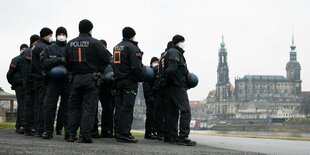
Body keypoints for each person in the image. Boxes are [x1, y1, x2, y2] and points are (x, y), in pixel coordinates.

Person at [64, 19, 110, 143]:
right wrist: (98, 70)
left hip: (75, 78)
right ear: (90, 29)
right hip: (91, 78)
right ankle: (84, 135)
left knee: (74, 107)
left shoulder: (70, 44)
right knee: (89, 108)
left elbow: (65, 61)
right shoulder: (96, 43)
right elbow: (106, 59)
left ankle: (70, 134)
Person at [112, 27, 144, 143]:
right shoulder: (133, 48)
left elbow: (114, 65)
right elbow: (136, 67)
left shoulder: (116, 47)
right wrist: (141, 78)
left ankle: (118, 131)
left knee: (119, 108)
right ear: (132, 36)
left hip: (118, 80)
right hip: (129, 81)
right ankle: (124, 133)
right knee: (127, 108)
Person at [164, 35, 196, 146]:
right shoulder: (174, 53)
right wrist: (173, 82)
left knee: (172, 112)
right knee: (185, 110)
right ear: (178, 42)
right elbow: (171, 70)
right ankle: (183, 136)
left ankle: (172, 136)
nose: (184, 44)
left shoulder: (173, 52)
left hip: (172, 86)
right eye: (183, 42)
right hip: (177, 86)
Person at [41, 27, 70, 139]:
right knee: (49, 106)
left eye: (64, 34)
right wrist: (58, 60)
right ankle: (48, 131)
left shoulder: (70, 48)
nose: (61, 35)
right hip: (53, 82)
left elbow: (75, 63)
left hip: (67, 81)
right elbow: (43, 63)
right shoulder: (49, 49)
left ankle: (68, 132)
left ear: (66, 36)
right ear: (56, 35)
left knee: (68, 107)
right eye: (60, 34)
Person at [31, 27, 53, 137]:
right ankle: (41, 128)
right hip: (42, 78)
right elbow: (44, 64)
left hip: (36, 78)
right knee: (43, 104)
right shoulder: (43, 47)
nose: (51, 37)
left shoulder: (35, 46)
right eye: (50, 35)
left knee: (38, 104)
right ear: (46, 35)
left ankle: (37, 128)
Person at [92, 39, 115, 138]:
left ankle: (106, 130)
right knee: (93, 109)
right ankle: (94, 130)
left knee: (108, 109)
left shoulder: (111, 58)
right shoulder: (95, 57)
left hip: (106, 86)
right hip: (96, 84)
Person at [7, 43, 29, 134]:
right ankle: (20, 125)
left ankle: (20, 125)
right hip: (20, 84)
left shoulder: (19, 59)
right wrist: (14, 83)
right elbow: (9, 74)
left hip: (22, 84)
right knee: (22, 105)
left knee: (23, 105)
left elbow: (10, 74)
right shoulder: (18, 59)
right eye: (23, 49)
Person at [22, 34, 40, 136]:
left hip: (28, 81)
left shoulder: (27, 51)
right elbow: (29, 68)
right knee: (30, 105)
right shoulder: (30, 52)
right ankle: (28, 127)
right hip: (30, 81)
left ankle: (28, 126)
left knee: (30, 104)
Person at [143, 57, 159, 139]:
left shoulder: (157, 73)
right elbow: (146, 86)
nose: (156, 63)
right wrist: (149, 96)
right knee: (150, 115)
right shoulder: (149, 73)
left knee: (155, 115)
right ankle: (148, 132)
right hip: (150, 97)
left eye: (157, 61)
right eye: (154, 62)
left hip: (156, 97)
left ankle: (153, 131)